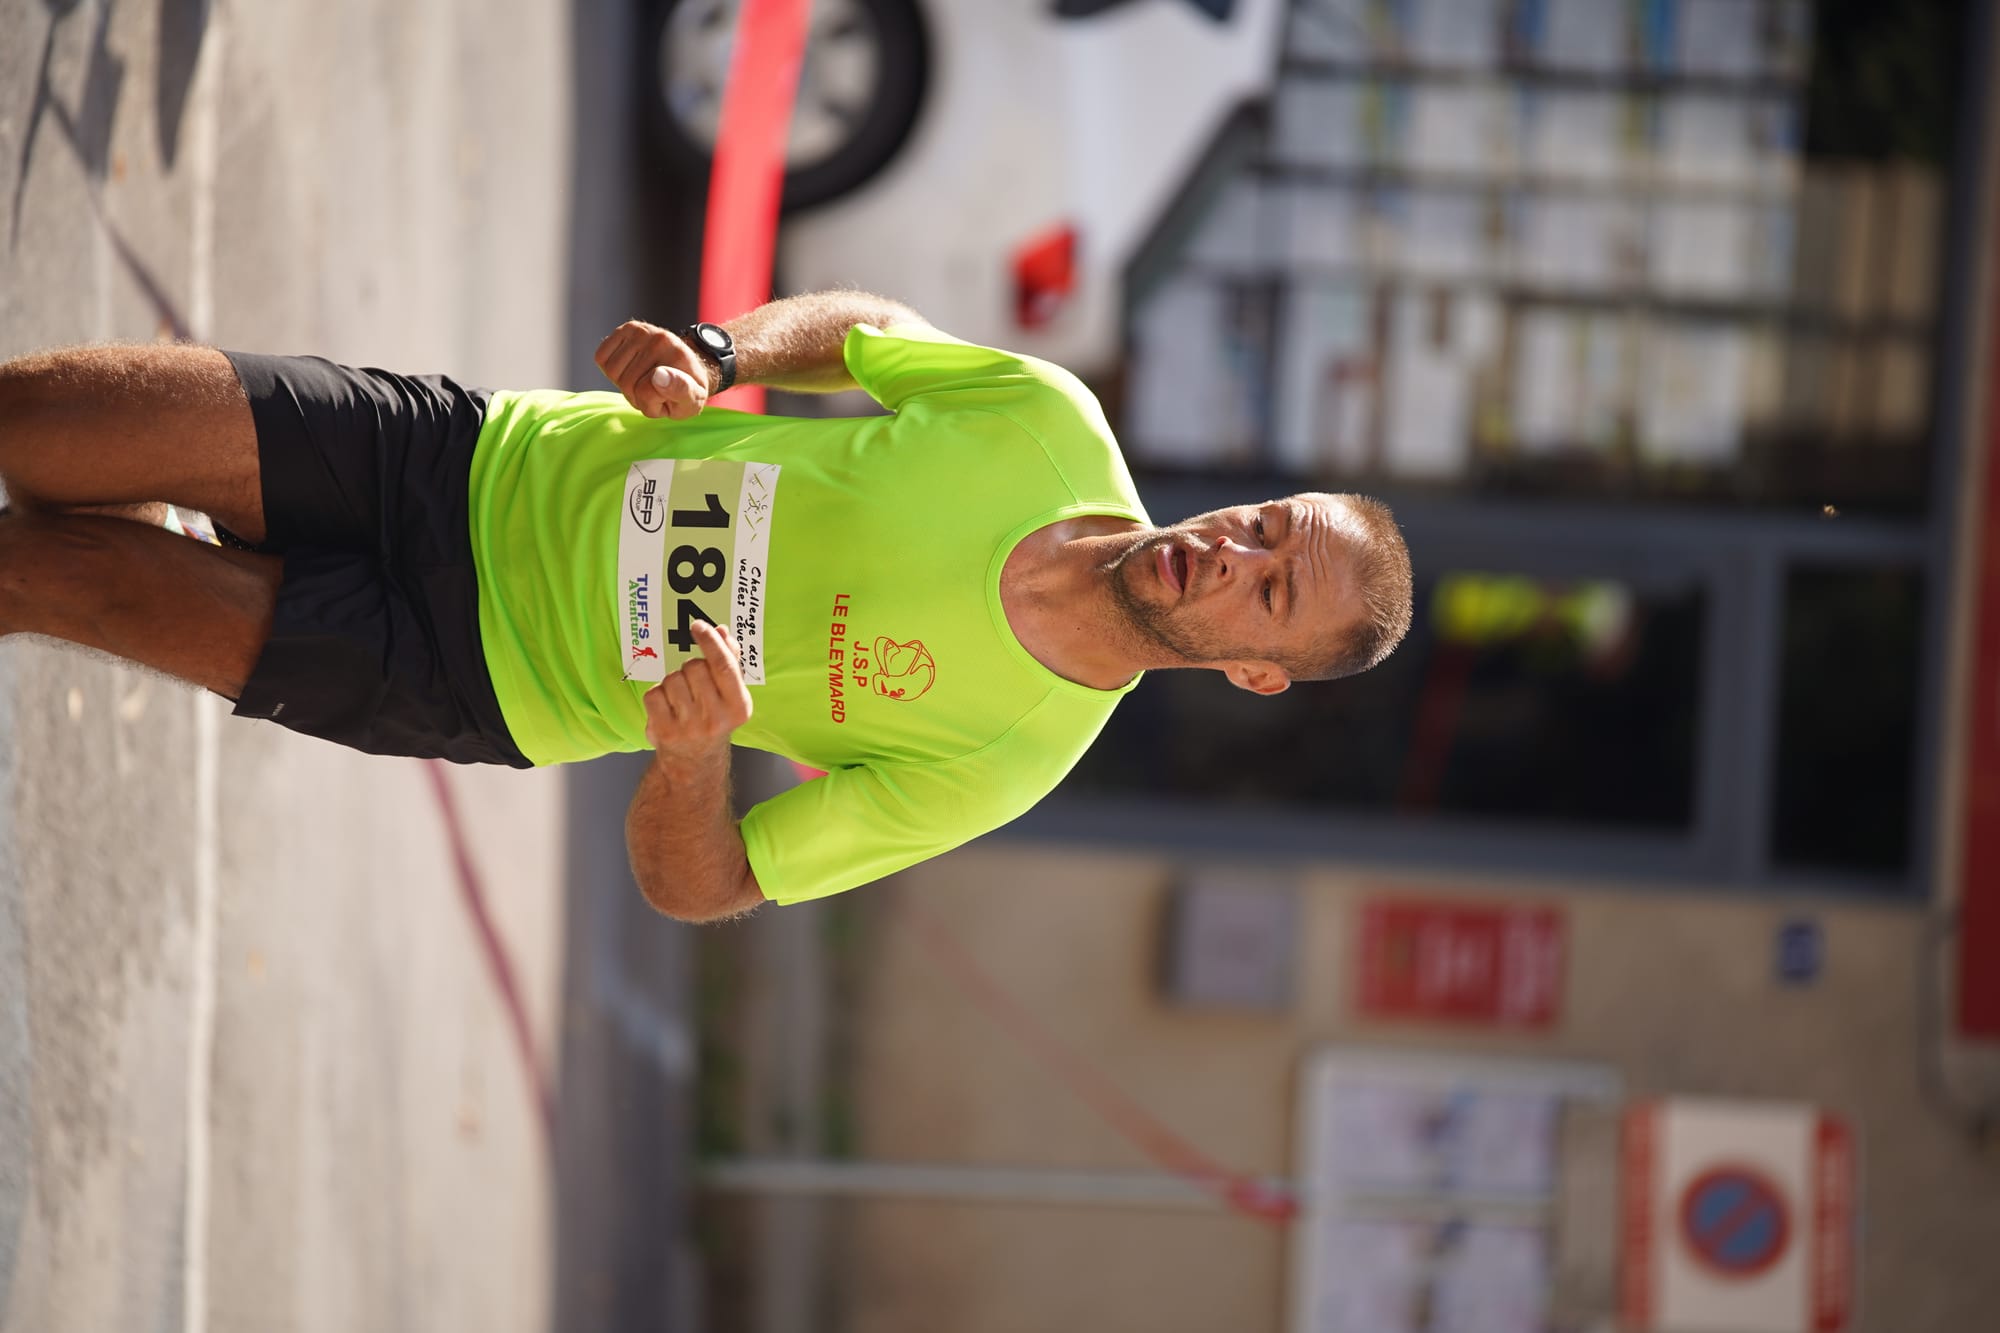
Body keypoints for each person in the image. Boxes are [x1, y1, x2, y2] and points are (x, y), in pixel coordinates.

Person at [0, 290, 1413, 920]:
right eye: (1265, 524)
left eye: (1270, 590)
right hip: (467, 456)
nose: (1233, 552)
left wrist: (690, 760)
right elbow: (871, 334)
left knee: (62, 575)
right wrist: (721, 348)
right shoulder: (1049, 420)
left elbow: (710, 885)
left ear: (1255, 672)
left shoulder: (1006, 757)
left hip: (470, 671)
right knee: (35, 424)